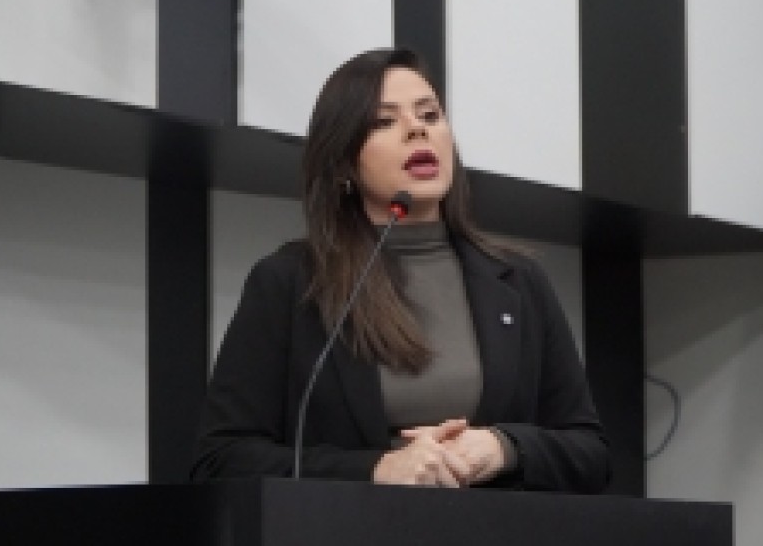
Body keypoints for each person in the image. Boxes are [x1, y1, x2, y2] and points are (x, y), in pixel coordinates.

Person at [190, 48, 610, 491]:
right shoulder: (291, 281)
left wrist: (505, 447)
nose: (417, 129)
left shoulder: (520, 280)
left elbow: (591, 454)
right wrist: (376, 470)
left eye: (430, 114)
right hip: (353, 525)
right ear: (343, 164)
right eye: (383, 122)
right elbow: (221, 459)